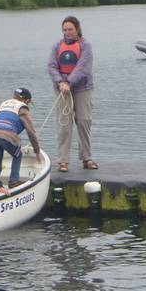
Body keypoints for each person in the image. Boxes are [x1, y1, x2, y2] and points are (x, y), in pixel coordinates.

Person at [47, 15, 96, 173]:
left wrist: (70, 82)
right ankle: (63, 161)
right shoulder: (57, 46)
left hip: (82, 88)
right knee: (64, 125)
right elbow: (52, 66)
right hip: (62, 89)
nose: (67, 32)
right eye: (65, 30)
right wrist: (60, 81)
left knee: (83, 122)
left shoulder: (85, 45)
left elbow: (83, 66)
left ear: (77, 29)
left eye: (70, 29)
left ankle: (86, 158)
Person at [0, 87, 41, 188]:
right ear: (26, 100)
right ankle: (13, 181)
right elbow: (31, 132)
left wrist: (1, 117)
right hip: (7, 135)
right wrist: (37, 151)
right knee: (17, 155)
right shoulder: (23, 109)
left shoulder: (4, 105)